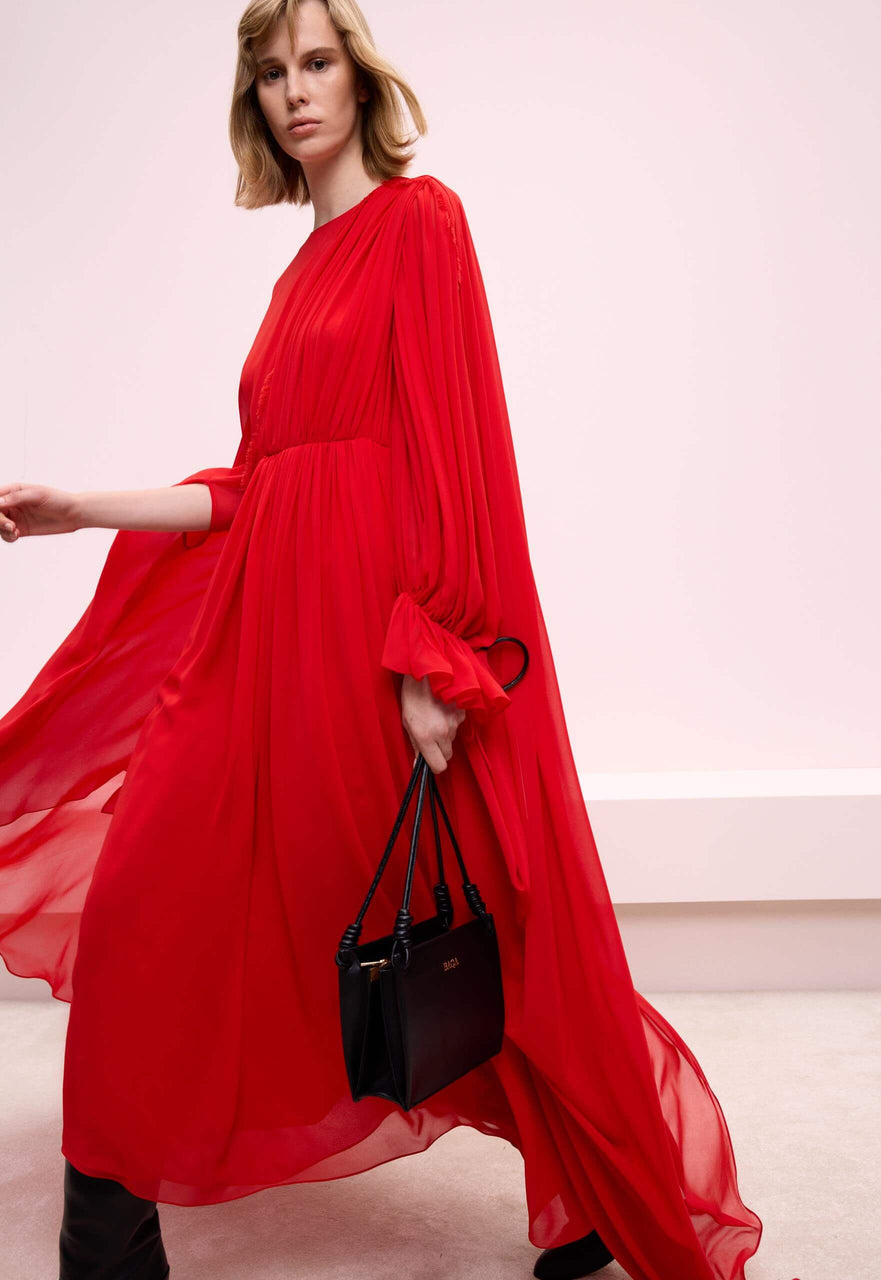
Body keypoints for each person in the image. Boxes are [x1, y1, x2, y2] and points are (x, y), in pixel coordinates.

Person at [0, 2, 764, 1278]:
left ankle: (595, 1181)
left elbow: (451, 458)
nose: (297, 91)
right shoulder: (297, 269)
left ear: (359, 77)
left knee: (480, 923)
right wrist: (83, 506)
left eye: (316, 62)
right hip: (260, 645)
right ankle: (109, 1223)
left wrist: (434, 660)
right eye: (271, 73)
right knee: (151, 903)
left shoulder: (424, 222)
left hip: (371, 645)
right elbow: (257, 490)